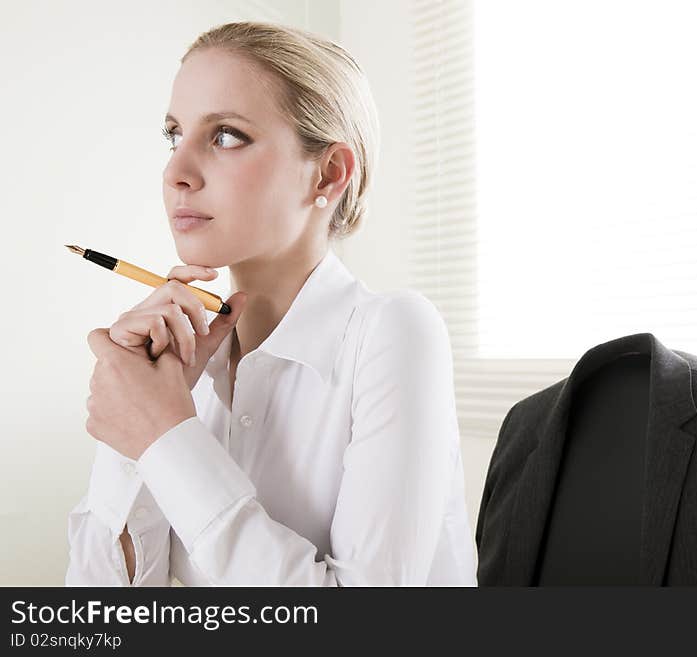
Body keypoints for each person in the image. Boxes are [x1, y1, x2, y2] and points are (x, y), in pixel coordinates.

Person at [65, 21, 477, 586]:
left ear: (329, 174)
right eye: (173, 134)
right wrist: (130, 431)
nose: (175, 172)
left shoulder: (393, 331)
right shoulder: (184, 372)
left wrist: (165, 435)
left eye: (226, 135)